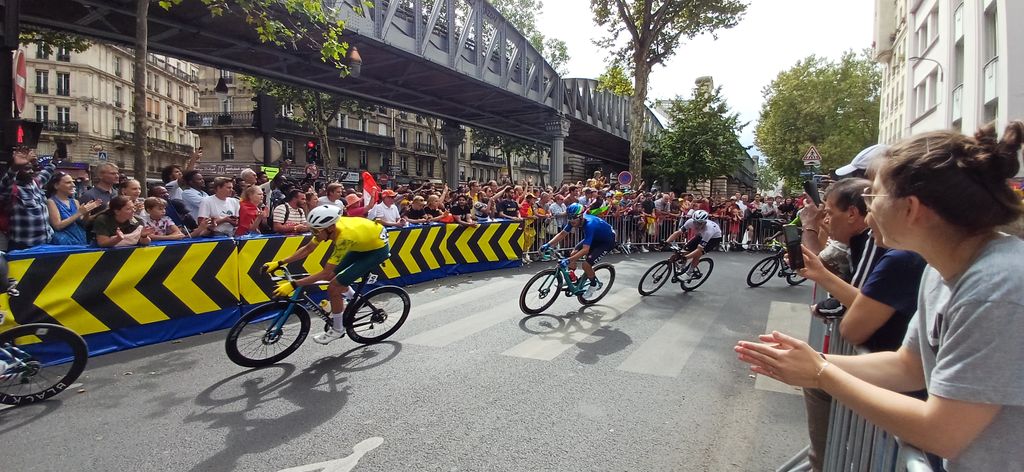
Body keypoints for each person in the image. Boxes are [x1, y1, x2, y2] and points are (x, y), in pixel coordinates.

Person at [735, 121, 1024, 471]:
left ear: (911, 208)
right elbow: (908, 366)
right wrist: (809, 361)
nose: (867, 211)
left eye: (873, 196)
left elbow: (943, 431)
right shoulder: (941, 270)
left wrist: (821, 374)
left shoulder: (996, 288)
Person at [263, 205, 391, 345]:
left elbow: (325, 273)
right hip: (363, 242)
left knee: (334, 287)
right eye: (312, 229)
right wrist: (280, 262)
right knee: (334, 278)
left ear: (330, 228)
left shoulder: (344, 238)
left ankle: (338, 329)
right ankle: (354, 300)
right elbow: (308, 249)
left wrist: (294, 284)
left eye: (316, 231)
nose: (314, 234)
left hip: (377, 251)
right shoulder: (326, 228)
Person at [539, 203, 616, 297]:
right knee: (573, 254)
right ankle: (572, 278)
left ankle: (593, 285)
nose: (571, 220)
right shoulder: (573, 221)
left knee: (586, 265)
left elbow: (585, 250)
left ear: (581, 217)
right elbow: (562, 233)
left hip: (606, 241)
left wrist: (568, 261)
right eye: (569, 217)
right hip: (595, 237)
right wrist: (548, 244)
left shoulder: (590, 225)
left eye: (573, 218)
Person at [46, 172, 101, 245]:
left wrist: (87, 212)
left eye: (73, 182)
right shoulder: (51, 202)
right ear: (56, 186)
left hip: (80, 240)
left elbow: (83, 223)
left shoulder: (75, 202)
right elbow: (57, 226)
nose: (73, 185)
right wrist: (79, 213)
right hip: (63, 243)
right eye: (68, 183)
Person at [666, 210, 722, 279]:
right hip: (701, 235)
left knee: (698, 254)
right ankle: (682, 268)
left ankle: (689, 273)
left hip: (713, 239)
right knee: (684, 250)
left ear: (705, 222)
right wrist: (666, 242)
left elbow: (699, 249)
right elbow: (678, 233)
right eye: (696, 222)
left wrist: (686, 257)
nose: (698, 225)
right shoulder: (690, 222)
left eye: (700, 223)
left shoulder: (708, 231)